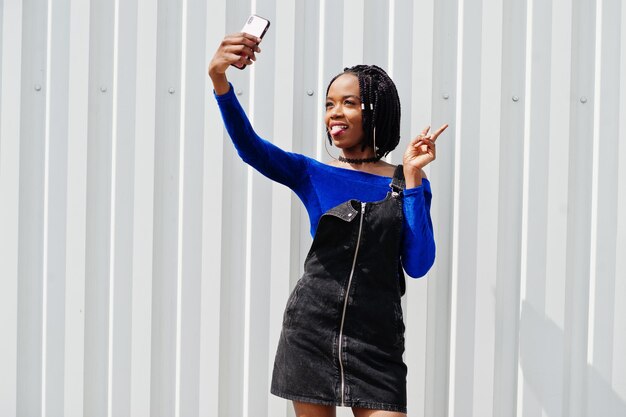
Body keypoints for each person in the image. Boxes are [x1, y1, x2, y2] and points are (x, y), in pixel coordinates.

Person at [209, 32, 447, 417]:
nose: (334, 113)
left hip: (377, 342)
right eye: (329, 104)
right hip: (310, 332)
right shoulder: (310, 173)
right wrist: (220, 80)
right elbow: (249, 146)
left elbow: (418, 264)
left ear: (374, 110)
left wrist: (414, 178)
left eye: (348, 103)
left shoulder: (407, 183)